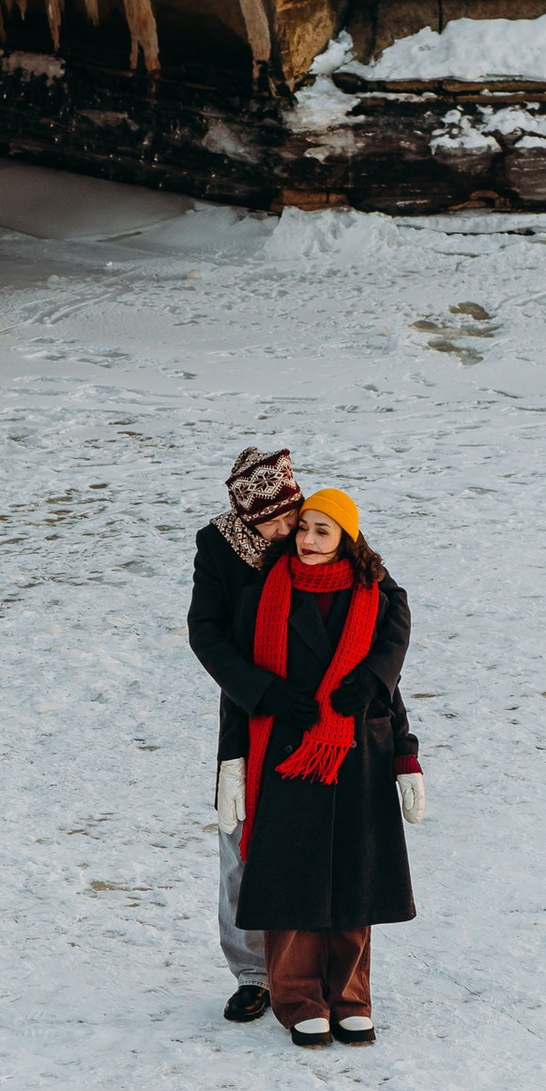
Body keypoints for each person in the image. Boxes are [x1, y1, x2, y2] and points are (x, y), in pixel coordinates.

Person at [203, 486, 424, 1049]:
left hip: (357, 754)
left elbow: (391, 682)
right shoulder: (262, 594)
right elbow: (235, 686)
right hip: (286, 755)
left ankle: (351, 996)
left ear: (348, 538)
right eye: (303, 528)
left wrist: (405, 754)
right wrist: (235, 755)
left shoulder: (376, 595)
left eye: (322, 531)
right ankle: (297, 995)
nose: (306, 539)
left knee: (356, 877)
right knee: (290, 876)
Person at [187, 445, 303, 1023]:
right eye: (273, 522)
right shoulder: (219, 548)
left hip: (316, 712)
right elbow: (205, 634)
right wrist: (261, 693)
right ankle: (252, 973)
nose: (288, 531)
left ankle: (308, 970)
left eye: (292, 515)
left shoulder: (317, 530)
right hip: (248, 713)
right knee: (241, 845)